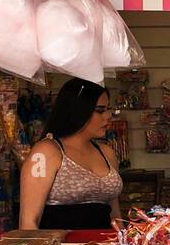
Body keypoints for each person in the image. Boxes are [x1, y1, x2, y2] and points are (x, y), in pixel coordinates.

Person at [19, 78, 123, 230]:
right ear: (78, 110)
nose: (108, 116)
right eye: (100, 110)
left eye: (108, 108)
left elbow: (115, 214)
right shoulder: (46, 151)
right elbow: (28, 221)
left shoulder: (107, 153)